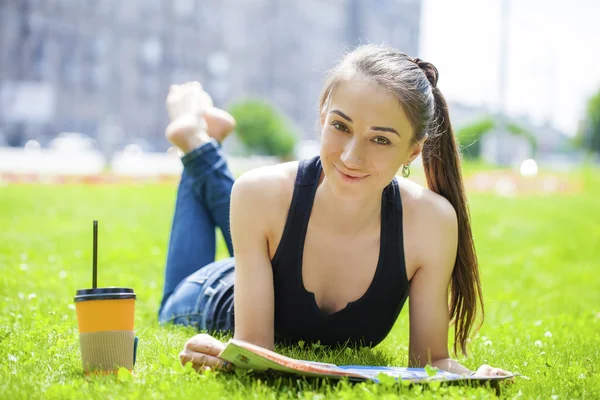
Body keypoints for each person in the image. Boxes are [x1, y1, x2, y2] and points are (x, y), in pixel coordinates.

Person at [158, 44, 512, 377]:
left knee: (271, 205)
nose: (351, 157)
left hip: (267, 241)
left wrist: (471, 379)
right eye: (341, 126)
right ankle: (195, 142)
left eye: (381, 139)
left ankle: (201, 143)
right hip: (206, 295)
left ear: (412, 152)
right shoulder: (259, 191)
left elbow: (430, 363)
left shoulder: (431, 222)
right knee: (253, 203)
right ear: (323, 116)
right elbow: (255, 350)